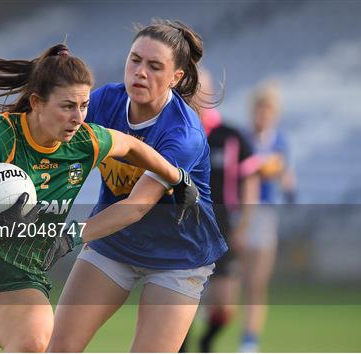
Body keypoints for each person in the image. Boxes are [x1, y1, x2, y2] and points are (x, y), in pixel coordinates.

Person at [0, 40, 200, 352]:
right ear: (38, 103)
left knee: (35, 342)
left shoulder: (85, 140)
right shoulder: (4, 133)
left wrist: (176, 178)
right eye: (68, 106)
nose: (78, 118)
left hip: (17, 274)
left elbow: (131, 146)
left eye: (84, 106)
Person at [48, 20, 228, 353]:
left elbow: (137, 205)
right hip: (115, 244)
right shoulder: (105, 102)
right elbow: (57, 153)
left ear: (176, 77)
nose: (140, 72)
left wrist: (67, 236)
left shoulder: (182, 133)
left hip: (179, 255)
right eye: (135, 60)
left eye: (154, 66)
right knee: (57, 347)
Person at [179, 69, 260, 352]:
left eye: (198, 88)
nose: (193, 94)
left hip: (223, 226)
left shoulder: (232, 136)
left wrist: (244, 224)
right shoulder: (177, 134)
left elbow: (251, 181)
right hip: (184, 225)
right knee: (179, 297)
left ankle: (207, 341)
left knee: (224, 306)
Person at [239, 82, 295, 353]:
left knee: (256, 280)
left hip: (264, 212)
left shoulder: (279, 140)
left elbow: (281, 169)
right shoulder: (242, 139)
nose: (263, 115)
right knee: (226, 274)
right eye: (260, 109)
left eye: (268, 110)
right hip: (239, 210)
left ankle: (250, 338)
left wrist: (288, 186)